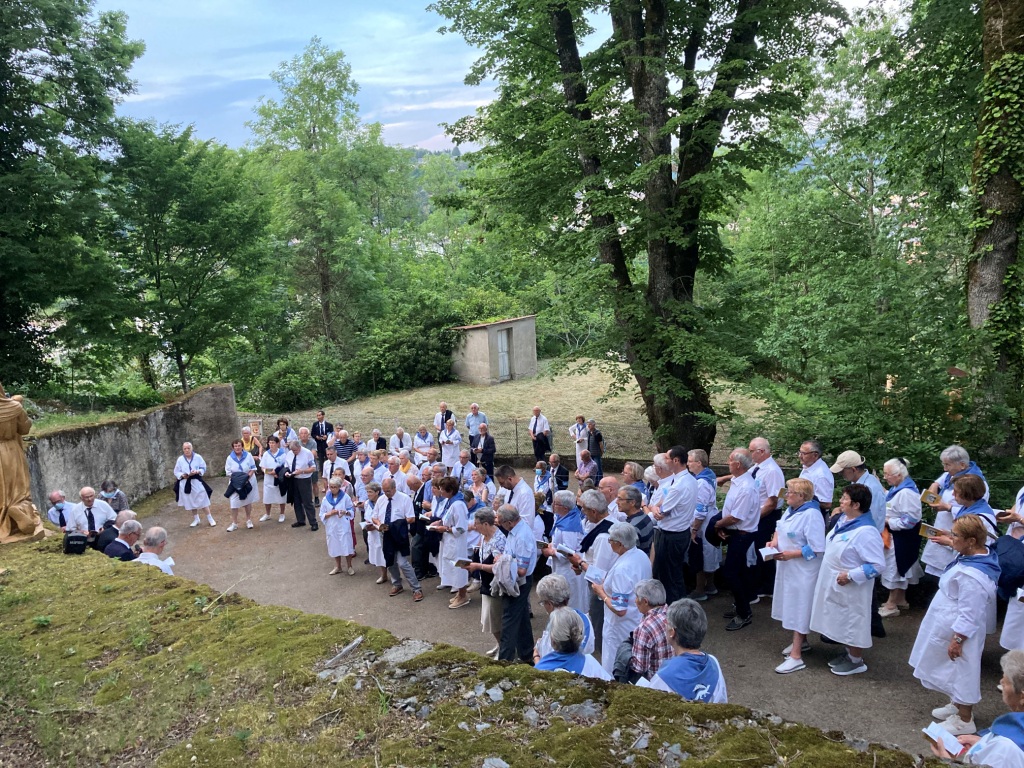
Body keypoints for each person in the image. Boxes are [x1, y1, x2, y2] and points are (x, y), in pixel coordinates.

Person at [911, 514, 1000, 735]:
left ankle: (964, 719)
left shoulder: (973, 576)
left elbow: (971, 612)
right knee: (950, 666)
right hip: (948, 621)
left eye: (955, 535)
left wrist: (958, 639)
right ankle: (956, 704)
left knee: (963, 668)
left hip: (960, 628)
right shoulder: (975, 555)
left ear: (971, 541)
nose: (952, 538)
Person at [809, 483, 884, 676]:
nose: (840, 501)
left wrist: (851, 575)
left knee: (853, 621)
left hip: (851, 585)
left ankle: (856, 660)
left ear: (856, 505)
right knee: (840, 619)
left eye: (845, 499)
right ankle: (849, 653)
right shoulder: (845, 520)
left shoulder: (866, 532)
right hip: (835, 581)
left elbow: (877, 565)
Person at [768, 479, 826, 674]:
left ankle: (796, 656)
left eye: (790, 492)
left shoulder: (811, 515)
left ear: (801, 496)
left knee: (801, 607)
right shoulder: (791, 509)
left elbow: (817, 547)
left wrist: (791, 554)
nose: (786, 495)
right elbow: (780, 527)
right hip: (788, 567)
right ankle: (803, 643)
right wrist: (774, 542)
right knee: (791, 605)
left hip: (803, 570)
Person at [930, 650, 1024, 766]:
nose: (1001, 682)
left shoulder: (1004, 749)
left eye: (1006, 681)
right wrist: (984, 744)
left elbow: (1005, 754)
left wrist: (946, 762)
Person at [591, 522, 652, 672]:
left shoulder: (622, 569)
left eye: (610, 540)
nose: (609, 543)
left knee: (615, 664)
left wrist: (601, 593)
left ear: (619, 544)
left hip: (620, 627)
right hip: (637, 618)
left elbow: (620, 609)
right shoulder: (641, 556)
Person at [645, 599, 728, 703]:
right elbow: (723, 703)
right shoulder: (713, 662)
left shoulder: (663, 677)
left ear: (672, 632)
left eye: (667, 623)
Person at [714, 449, 761, 631]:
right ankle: (741, 606)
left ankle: (744, 612)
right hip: (736, 533)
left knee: (732, 573)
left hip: (742, 535)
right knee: (737, 572)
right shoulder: (738, 481)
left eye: (730, 459)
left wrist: (717, 525)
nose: (727, 462)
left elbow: (736, 517)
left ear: (738, 464)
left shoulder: (746, 487)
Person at [567, 489, 617, 653]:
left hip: (602, 590)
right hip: (601, 585)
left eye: (584, 509)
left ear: (594, 511)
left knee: (598, 623)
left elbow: (598, 574)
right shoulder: (607, 523)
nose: (583, 513)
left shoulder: (604, 536)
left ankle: (599, 656)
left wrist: (579, 563)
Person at [647, 448, 697, 606]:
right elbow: (663, 501)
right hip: (679, 532)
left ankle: (675, 609)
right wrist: (657, 506)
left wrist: (655, 508)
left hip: (671, 536)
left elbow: (661, 512)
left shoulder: (680, 485)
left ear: (676, 460)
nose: (665, 461)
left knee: (670, 576)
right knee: (673, 573)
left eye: (667, 458)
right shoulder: (687, 479)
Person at [878, 457, 923, 618]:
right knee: (899, 567)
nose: (885, 477)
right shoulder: (897, 488)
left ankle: (891, 604)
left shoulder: (906, 492)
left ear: (898, 475)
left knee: (896, 568)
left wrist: (888, 521)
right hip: (897, 535)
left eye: (887, 474)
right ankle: (901, 599)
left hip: (901, 537)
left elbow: (910, 520)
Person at [496, 503, 538, 663]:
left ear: (509, 522)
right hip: (515, 581)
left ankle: (504, 661)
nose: (499, 524)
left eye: (500, 522)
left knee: (509, 621)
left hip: (519, 583)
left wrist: (503, 561)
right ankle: (527, 655)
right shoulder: (515, 531)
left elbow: (521, 570)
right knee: (521, 619)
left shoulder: (522, 537)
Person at [464, 507, 507, 657]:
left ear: (486, 524)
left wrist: (478, 566)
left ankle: (504, 648)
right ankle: (500, 644)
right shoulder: (484, 536)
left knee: (495, 619)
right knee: (489, 619)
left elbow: (499, 567)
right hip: (486, 582)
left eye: (477, 524)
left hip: (495, 585)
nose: (475, 527)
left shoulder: (498, 540)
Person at [747, 437, 785, 599]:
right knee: (757, 549)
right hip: (757, 515)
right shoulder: (757, 468)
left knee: (763, 549)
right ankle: (763, 583)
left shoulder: (772, 471)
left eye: (751, 451)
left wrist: (754, 518)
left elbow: (772, 501)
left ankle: (766, 586)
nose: (749, 454)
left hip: (767, 516)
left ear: (761, 451)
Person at [374, 478, 423, 602]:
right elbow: (374, 517)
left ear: (394, 488)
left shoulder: (404, 498)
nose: (386, 493)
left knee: (403, 562)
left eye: (388, 491)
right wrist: (379, 524)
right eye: (384, 491)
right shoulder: (381, 499)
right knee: (390, 561)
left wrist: (396, 524)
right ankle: (397, 584)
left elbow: (411, 518)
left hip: (399, 534)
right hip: (385, 534)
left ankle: (416, 588)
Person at [542, 490, 588, 612]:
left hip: (568, 570)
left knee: (569, 600)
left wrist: (551, 552)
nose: (552, 505)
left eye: (556, 503)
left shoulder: (569, 527)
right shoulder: (563, 518)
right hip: (562, 568)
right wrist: (551, 545)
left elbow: (568, 552)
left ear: (565, 508)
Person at [535, 608, 611, 681]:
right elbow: (609, 683)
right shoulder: (590, 662)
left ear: (553, 641)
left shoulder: (540, 669)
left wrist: (536, 658)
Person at [430, 476, 471, 609]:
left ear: (450, 490)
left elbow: (461, 528)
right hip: (449, 541)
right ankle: (460, 593)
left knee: (458, 568)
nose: (440, 492)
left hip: (457, 543)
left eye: (442, 489)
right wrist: (440, 522)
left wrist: (445, 529)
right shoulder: (451, 502)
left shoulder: (458, 505)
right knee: (452, 567)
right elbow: (448, 518)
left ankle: (463, 596)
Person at [687, 449, 720, 600]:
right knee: (709, 553)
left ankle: (700, 589)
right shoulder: (709, 474)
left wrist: (695, 529)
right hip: (709, 519)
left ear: (698, 463)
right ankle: (710, 585)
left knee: (700, 554)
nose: (688, 464)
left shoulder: (701, 483)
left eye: (690, 461)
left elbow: (701, 509)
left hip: (703, 523)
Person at [627, 579, 673, 682]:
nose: (635, 601)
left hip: (656, 683)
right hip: (675, 677)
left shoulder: (644, 628)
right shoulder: (674, 615)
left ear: (645, 602)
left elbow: (639, 667)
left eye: (637, 597)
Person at [829, 450, 886, 531]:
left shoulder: (870, 488)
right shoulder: (856, 482)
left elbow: (871, 517)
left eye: (842, 471)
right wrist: (841, 509)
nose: (840, 474)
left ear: (853, 469)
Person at [320, 477, 356, 576]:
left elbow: (351, 510)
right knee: (334, 545)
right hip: (332, 526)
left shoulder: (345, 497)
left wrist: (345, 512)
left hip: (343, 525)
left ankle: (349, 566)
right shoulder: (326, 499)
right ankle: (338, 566)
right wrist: (329, 513)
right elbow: (321, 514)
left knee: (346, 545)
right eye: (330, 487)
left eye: (334, 487)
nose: (332, 489)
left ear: (339, 487)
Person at [174, 443, 214, 527]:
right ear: (183, 449)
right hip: (186, 483)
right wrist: (182, 475)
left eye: (188, 448)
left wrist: (197, 471)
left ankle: (210, 518)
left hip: (196, 481)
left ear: (191, 448)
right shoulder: (180, 459)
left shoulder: (198, 457)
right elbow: (176, 471)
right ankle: (196, 519)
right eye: (185, 448)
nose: (187, 450)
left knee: (203, 499)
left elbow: (203, 467)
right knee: (190, 500)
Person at [494, 465, 539, 538]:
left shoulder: (525, 493)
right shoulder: (509, 490)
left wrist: (502, 522)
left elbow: (527, 523)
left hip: (520, 537)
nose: (501, 486)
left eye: (502, 483)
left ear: (510, 479)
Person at [224, 439, 259, 531]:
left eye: (239, 445)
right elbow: (228, 472)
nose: (237, 448)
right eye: (235, 446)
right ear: (233, 448)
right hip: (235, 483)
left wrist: (246, 478)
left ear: (242, 446)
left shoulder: (248, 455)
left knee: (247, 501)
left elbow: (253, 468)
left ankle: (248, 520)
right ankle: (234, 523)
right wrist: (238, 480)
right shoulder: (229, 458)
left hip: (248, 481)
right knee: (233, 503)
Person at [284, 438, 318, 531]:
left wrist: (302, 471)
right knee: (296, 501)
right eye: (292, 450)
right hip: (293, 479)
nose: (294, 452)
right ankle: (300, 520)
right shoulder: (289, 454)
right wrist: (286, 472)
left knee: (307, 501)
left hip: (304, 479)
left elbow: (313, 468)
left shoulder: (307, 453)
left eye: (295, 450)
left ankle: (313, 522)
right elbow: (286, 465)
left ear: (299, 447)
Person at [362, 480, 389, 585]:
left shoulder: (384, 502)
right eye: (367, 492)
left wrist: (375, 526)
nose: (368, 494)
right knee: (377, 554)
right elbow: (367, 516)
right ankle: (383, 574)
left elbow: (385, 518)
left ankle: (394, 575)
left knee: (385, 553)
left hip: (382, 532)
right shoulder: (367, 503)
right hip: (372, 533)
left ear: (377, 492)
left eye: (370, 492)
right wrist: (367, 524)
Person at [258, 435, 289, 524]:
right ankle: (267, 514)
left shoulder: (283, 454)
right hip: (269, 479)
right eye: (270, 443)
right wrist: (270, 472)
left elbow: (286, 466)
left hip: (279, 478)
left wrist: (278, 473)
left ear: (277, 444)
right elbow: (262, 467)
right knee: (267, 497)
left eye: (273, 443)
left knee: (281, 496)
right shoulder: (266, 454)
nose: (271, 445)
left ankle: (282, 513)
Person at [798, 440, 834, 512]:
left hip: (815, 514)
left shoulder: (821, 475)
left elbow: (827, 504)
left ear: (815, 455)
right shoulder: (809, 466)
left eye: (803, 453)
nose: (800, 456)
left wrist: (801, 499)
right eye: (799, 452)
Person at [620, 485, 653, 556]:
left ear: (632, 503)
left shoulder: (632, 527)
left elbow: (629, 555)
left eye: (620, 499)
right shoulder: (645, 516)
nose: (617, 502)